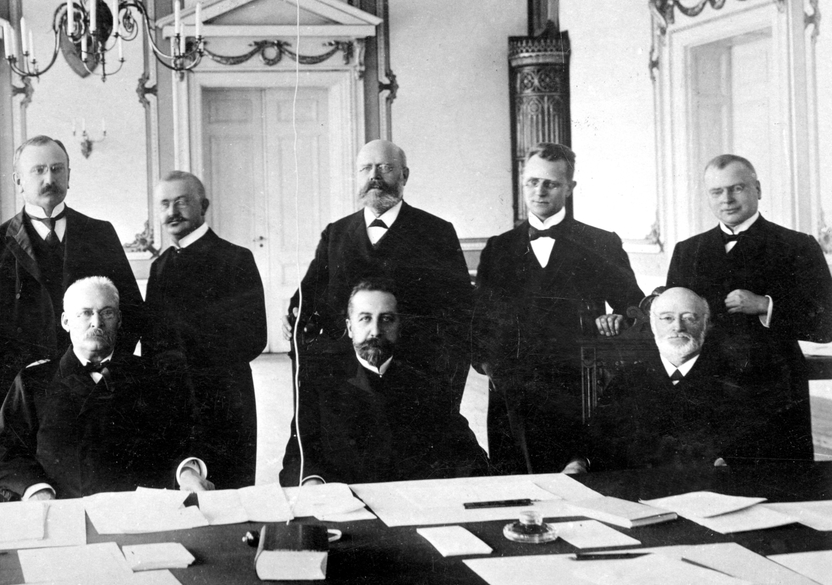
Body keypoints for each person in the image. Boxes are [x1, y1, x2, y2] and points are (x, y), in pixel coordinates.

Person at [472, 143, 644, 474]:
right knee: (515, 483)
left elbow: (633, 305)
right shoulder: (498, 248)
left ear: (569, 187)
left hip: (578, 391)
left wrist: (617, 318)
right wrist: (490, 366)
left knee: (577, 481)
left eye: (550, 184)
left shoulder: (601, 242)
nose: (539, 191)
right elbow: (479, 320)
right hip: (513, 394)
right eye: (532, 182)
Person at [0, 136, 144, 425]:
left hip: (95, 392)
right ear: (18, 181)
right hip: (23, 398)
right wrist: (18, 379)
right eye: (38, 170)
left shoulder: (100, 234)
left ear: (69, 176)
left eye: (57, 169)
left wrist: (104, 369)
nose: (49, 179)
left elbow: (131, 312)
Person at [284, 139, 474, 406]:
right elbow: (307, 296)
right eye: (366, 168)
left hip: (416, 382)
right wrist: (295, 317)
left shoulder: (436, 233)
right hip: (346, 380)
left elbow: (460, 312)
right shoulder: (336, 234)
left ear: (404, 175)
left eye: (385, 167)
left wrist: (446, 393)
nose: (374, 176)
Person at [667, 154, 832, 461]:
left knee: (779, 479)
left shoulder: (797, 245)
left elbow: (826, 324)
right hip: (707, 388)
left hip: (775, 390)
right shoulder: (687, 250)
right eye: (717, 191)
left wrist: (764, 305)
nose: (727, 199)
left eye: (737, 188)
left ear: (758, 189)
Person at [0, 277, 209, 501]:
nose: (97, 322)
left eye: (107, 313)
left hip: (139, 510)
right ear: (66, 321)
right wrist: (36, 490)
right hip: (65, 511)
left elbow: (184, 439)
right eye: (85, 313)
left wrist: (187, 471)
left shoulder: (152, 377)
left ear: (119, 320)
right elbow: (1, 453)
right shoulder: (33, 381)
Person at [284, 279, 488, 485]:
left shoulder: (427, 384)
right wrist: (313, 483)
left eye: (387, 319)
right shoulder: (320, 384)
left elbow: (466, 452)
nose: (375, 331)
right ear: (350, 327)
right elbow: (298, 458)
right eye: (365, 319)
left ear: (399, 326)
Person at [143, 172, 267, 488]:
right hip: (173, 398)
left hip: (225, 397)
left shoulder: (235, 259)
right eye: (164, 204)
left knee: (230, 490)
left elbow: (254, 336)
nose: (172, 212)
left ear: (204, 206)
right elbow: (152, 340)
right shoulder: (160, 266)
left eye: (182, 202)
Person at [576, 287, 759, 471]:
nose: (678, 327)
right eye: (667, 318)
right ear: (653, 325)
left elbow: (748, 449)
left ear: (705, 324)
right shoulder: (627, 378)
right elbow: (594, 439)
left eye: (689, 318)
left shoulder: (734, 381)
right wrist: (578, 462)